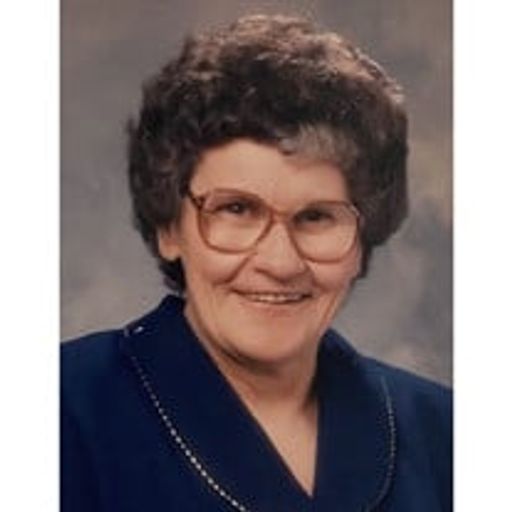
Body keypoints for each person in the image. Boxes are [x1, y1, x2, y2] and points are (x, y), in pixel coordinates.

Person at [61, 14, 452, 512]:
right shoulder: (54, 411)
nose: (280, 262)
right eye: (237, 210)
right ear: (169, 227)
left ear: (362, 240)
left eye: (316, 217)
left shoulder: (446, 434)